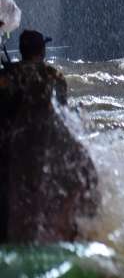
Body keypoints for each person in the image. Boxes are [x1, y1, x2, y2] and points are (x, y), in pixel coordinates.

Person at [0, 30, 99, 243]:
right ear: (42, 51)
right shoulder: (54, 76)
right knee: (86, 171)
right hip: (43, 141)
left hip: (10, 142)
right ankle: (76, 230)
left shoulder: (7, 76)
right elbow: (61, 110)